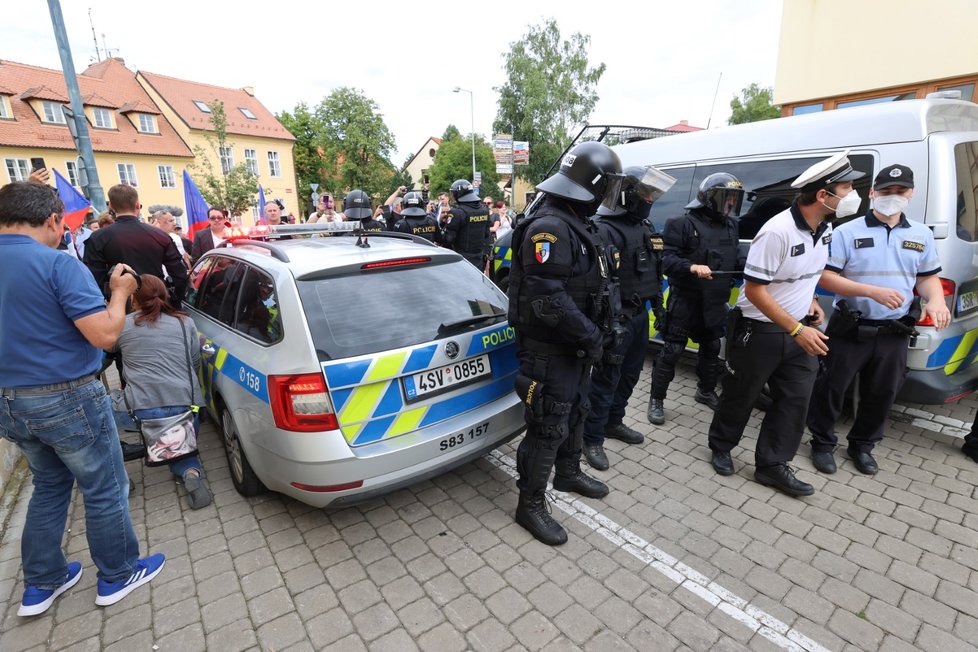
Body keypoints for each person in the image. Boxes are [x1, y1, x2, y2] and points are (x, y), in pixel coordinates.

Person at [0, 181, 165, 616]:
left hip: (9, 403)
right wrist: (119, 292)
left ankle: (42, 583)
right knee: (105, 487)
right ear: (54, 220)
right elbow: (106, 334)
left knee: (49, 486)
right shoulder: (56, 264)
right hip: (67, 397)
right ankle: (118, 573)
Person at [707, 151, 865, 497]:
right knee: (741, 395)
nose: (854, 194)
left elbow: (806, 274)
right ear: (823, 195)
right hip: (760, 330)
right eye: (847, 187)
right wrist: (796, 328)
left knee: (795, 400)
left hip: (799, 331)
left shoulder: (825, 227)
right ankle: (721, 446)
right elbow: (755, 290)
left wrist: (809, 303)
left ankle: (772, 465)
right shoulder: (776, 232)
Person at [507, 141, 624, 545]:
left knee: (578, 409)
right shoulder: (550, 227)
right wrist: (591, 336)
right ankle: (530, 503)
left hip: (575, 346)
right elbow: (546, 297)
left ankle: (569, 473)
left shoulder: (580, 221)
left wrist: (605, 332)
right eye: (606, 187)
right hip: (549, 349)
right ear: (588, 184)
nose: (609, 197)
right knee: (548, 421)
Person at [806, 164, 949, 475]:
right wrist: (870, 291)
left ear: (911, 193)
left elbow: (927, 278)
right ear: (872, 193)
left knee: (882, 394)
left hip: (894, 331)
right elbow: (827, 277)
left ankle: (862, 446)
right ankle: (822, 443)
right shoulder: (846, 231)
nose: (892, 197)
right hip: (851, 328)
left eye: (900, 191)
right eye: (885, 191)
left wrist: (936, 299)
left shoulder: (921, 234)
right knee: (831, 388)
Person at [583, 166, 675, 470]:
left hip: (639, 317)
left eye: (651, 193)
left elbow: (652, 272)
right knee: (607, 379)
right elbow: (600, 282)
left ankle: (614, 421)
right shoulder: (603, 228)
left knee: (631, 375)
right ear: (627, 195)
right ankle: (591, 437)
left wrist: (659, 310)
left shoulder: (645, 226)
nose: (650, 198)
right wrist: (611, 320)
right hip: (615, 319)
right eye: (645, 193)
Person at [648, 173, 747, 424]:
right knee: (672, 350)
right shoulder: (680, 224)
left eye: (734, 199)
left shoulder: (731, 226)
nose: (730, 204)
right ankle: (656, 399)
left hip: (715, 302)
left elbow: (734, 258)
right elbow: (665, 260)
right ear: (708, 198)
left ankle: (705, 390)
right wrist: (691, 267)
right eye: (726, 198)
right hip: (686, 301)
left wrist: (749, 268)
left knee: (712, 348)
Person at [109, 275, 212, 509]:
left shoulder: (122, 325)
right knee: (179, 438)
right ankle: (190, 473)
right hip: (188, 409)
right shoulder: (185, 322)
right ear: (164, 294)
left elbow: (105, 346)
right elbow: (194, 362)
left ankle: (118, 477)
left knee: (95, 410)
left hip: (141, 413)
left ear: (133, 299)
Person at [83, 184, 188, 302]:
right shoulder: (160, 235)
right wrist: (174, 302)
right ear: (137, 205)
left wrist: (111, 301)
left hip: (121, 304)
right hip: (155, 301)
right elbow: (180, 274)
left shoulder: (99, 237)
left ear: (111, 206)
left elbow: (93, 278)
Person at [441, 179, 491, 267]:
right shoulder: (484, 210)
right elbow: (487, 234)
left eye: (453, 193)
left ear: (459, 194)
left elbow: (448, 239)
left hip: (461, 259)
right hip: (479, 257)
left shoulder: (457, 212)